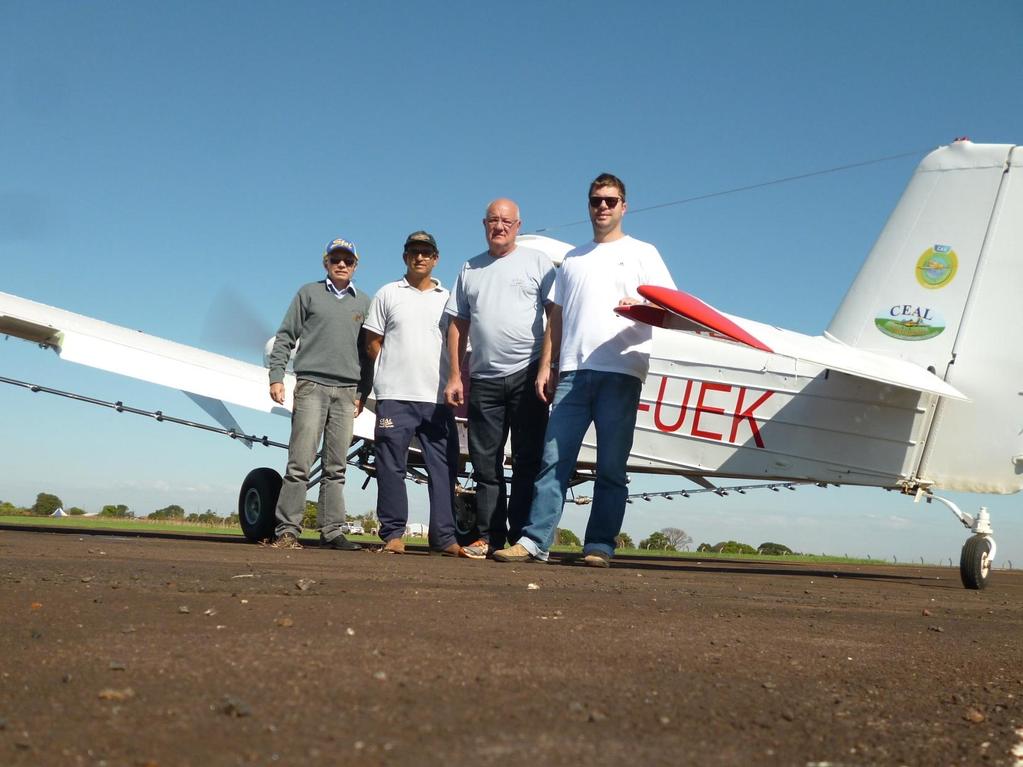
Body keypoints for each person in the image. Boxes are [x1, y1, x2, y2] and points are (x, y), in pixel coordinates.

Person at [494, 173, 676, 567]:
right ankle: (534, 541)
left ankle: (599, 545)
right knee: (552, 460)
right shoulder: (573, 259)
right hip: (572, 374)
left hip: (622, 372)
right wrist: (546, 365)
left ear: (624, 206)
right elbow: (555, 318)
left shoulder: (645, 252)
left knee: (612, 465)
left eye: (611, 200)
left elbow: (671, 308)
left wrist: (642, 305)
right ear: (589, 205)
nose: (603, 207)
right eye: (596, 200)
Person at [444, 199, 556, 559]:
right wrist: (453, 375)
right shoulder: (470, 268)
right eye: (493, 220)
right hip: (484, 378)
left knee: (527, 460)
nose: (500, 226)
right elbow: (458, 323)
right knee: (484, 463)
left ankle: (522, 539)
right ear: (484, 224)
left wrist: (545, 368)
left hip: (528, 374)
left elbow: (555, 316)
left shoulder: (538, 263)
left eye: (506, 221)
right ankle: (488, 536)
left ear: (518, 225)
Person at [267, 237, 373, 550]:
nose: (342, 264)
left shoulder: (364, 303)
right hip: (311, 385)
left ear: (356, 265)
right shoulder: (308, 293)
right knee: (300, 461)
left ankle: (332, 531)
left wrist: (362, 392)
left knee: (336, 466)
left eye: (348, 260)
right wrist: (277, 377)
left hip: (346, 391)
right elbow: (285, 336)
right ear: (325, 262)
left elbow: (367, 354)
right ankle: (287, 530)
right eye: (336, 259)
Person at [364, 231, 462, 556]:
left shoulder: (448, 298)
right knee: (390, 464)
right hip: (395, 395)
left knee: (444, 467)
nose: (420, 257)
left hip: (436, 398)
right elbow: (372, 342)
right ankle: (393, 534)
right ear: (405, 256)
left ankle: (445, 537)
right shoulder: (388, 293)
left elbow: (458, 344)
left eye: (426, 252)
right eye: (413, 252)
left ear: (436, 258)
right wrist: (393, 371)